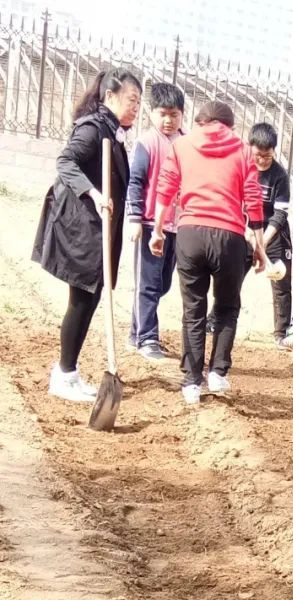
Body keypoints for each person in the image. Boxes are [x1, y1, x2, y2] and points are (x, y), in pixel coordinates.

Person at [32, 68, 142, 402]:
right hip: (82, 231)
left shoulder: (113, 131)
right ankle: (64, 374)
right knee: (80, 301)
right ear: (110, 96)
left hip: (98, 232)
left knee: (90, 299)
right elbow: (66, 162)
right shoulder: (94, 129)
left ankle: (70, 371)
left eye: (139, 102)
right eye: (131, 100)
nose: (136, 108)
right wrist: (94, 194)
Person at [151, 99, 267, 406]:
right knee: (227, 307)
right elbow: (253, 199)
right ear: (229, 126)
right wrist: (260, 246)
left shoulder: (181, 146)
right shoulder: (243, 150)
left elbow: (165, 188)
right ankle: (217, 372)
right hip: (229, 236)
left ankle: (191, 381)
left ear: (200, 122)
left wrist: (158, 230)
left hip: (190, 233)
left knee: (193, 309)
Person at [125, 81, 184, 362]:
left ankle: (136, 333)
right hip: (150, 223)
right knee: (147, 283)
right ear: (152, 113)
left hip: (175, 226)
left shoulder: (186, 144)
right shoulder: (146, 143)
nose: (168, 120)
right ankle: (148, 338)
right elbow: (135, 181)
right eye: (163, 114)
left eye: (174, 115)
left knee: (163, 284)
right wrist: (135, 219)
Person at [248, 122, 293, 348]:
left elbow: (280, 213)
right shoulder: (244, 168)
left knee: (281, 281)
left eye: (267, 156)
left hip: (274, 233)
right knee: (229, 275)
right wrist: (251, 237)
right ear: (250, 149)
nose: (262, 160)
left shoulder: (280, 175)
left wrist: (263, 242)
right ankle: (216, 319)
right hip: (246, 230)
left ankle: (281, 331)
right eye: (258, 155)